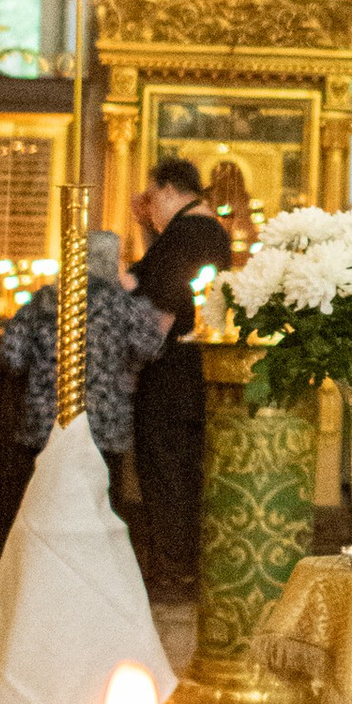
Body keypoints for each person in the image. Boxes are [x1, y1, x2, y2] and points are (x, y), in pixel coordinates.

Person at [128, 156, 235, 594]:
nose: (147, 206)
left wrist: (133, 359)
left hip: (172, 374)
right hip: (187, 371)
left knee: (168, 468)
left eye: (151, 197)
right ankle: (176, 562)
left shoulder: (192, 232)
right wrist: (148, 228)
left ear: (171, 190)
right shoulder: (195, 230)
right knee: (176, 468)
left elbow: (164, 304)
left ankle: (174, 567)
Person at [0, 229, 171, 462]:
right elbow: (151, 346)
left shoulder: (42, 300)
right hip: (103, 423)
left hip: (48, 422)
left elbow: (12, 357)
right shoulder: (122, 304)